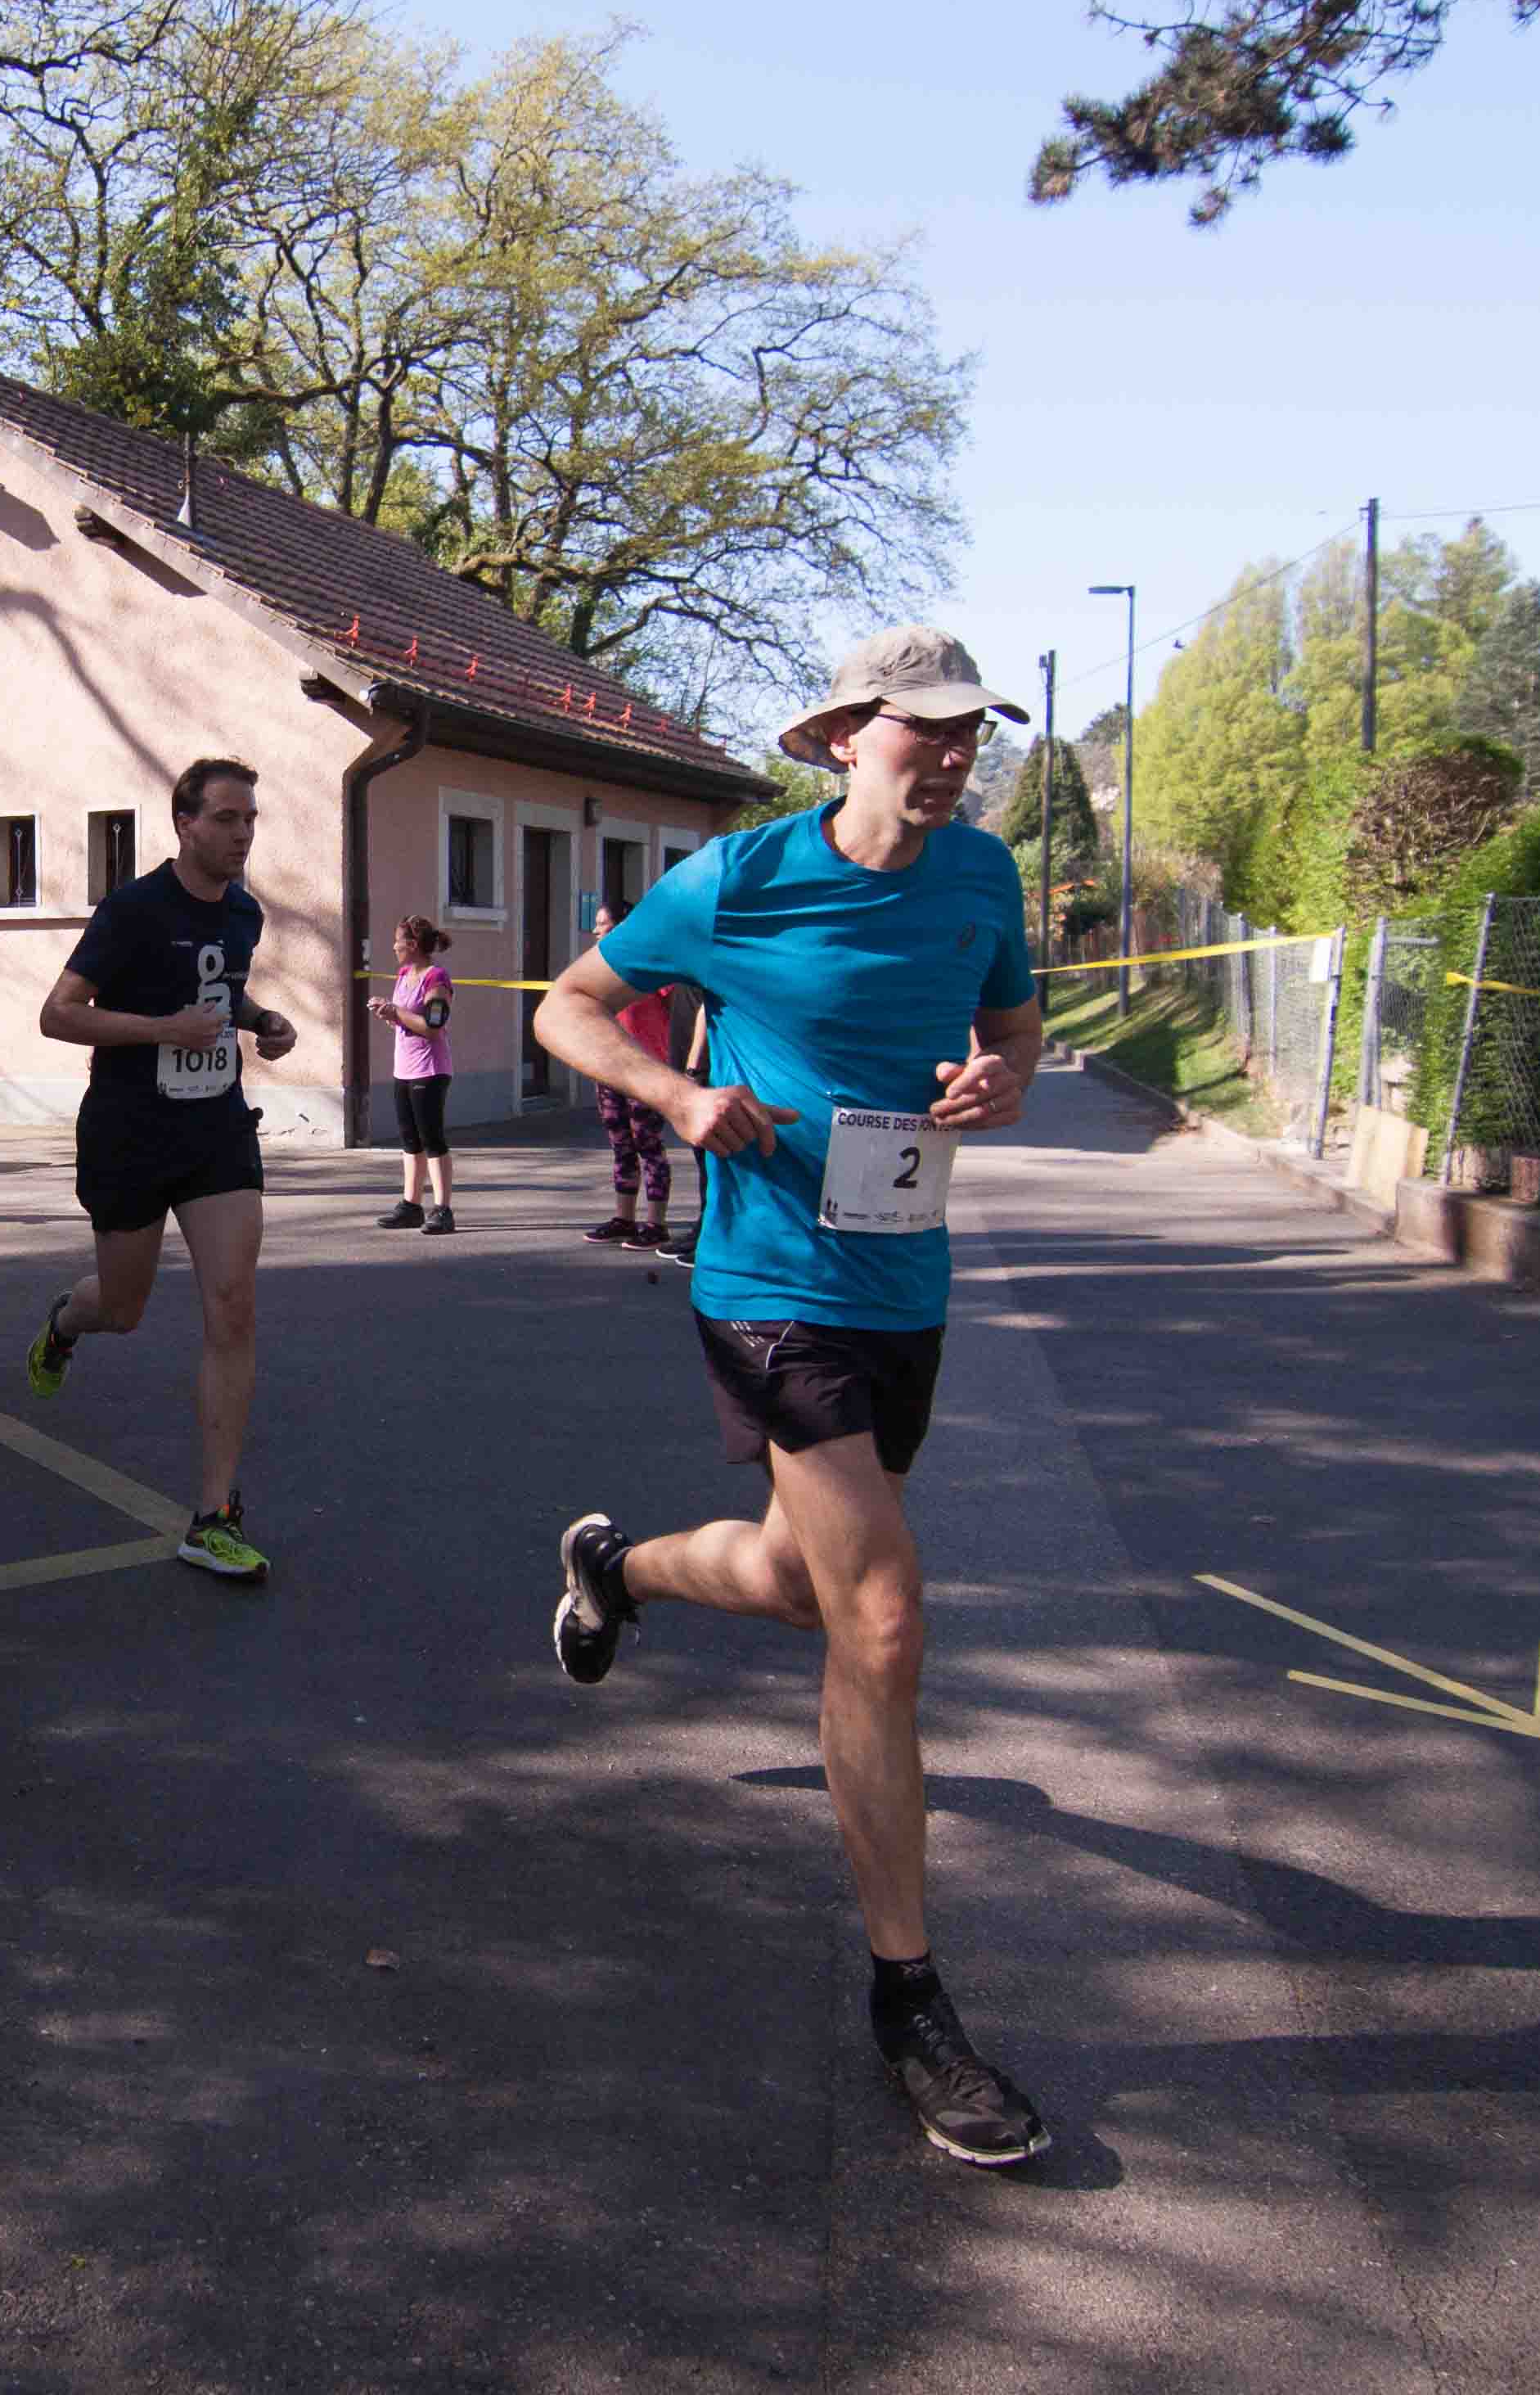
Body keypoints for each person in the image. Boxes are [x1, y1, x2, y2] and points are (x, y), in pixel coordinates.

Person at [534, 623, 1047, 2168]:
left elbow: (1013, 1026)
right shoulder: (738, 880)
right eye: (922, 729)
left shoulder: (984, 878)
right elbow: (567, 1005)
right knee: (879, 1616)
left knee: (795, 1576)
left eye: (969, 731)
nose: (950, 755)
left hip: (905, 1284)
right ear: (841, 738)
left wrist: (1004, 1077)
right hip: (768, 1284)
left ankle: (618, 1569)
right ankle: (910, 1999)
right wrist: (680, 1092)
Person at [21, 760, 290, 1576]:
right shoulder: (132, 909)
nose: (242, 833)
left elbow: (223, 993)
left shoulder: (244, 912)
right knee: (123, 1307)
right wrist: (162, 1030)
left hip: (216, 1130)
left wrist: (262, 1019)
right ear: (185, 824)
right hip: (130, 1131)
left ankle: (212, 1515)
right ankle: (67, 1323)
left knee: (233, 1305)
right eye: (226, 818)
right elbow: (58, 1014)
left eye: (251, 819)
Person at [587, 906, 678, 1253]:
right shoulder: (597, 968)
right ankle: (623, 1218)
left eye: (602, 924)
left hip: (646, 1068)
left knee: (648, 1144)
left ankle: (656, 1224)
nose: (596, 932)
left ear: (623, 927)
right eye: (596, 925)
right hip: (609, 1068)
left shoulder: (652, 964)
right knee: (621, 1145)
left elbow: (680, 1011)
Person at [369, 917, 457, 1235]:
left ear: (413, 945)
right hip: (403, 1069)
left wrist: (397, 1012)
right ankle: (411, 1206)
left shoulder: (436, 978)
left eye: (398, 941)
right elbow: (406, 1020)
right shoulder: (404, 974)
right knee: (410, 1140)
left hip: (430, 1070)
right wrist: (388, 1013)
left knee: (432, 1140)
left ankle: (443, 1210)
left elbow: (433, 1027)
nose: (393, 946)